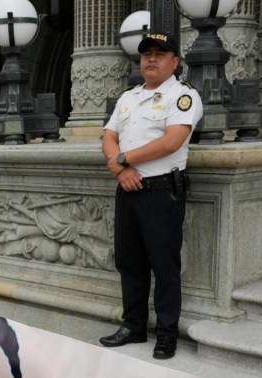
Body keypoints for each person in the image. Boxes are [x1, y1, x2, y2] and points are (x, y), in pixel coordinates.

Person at [99, 33, 203, 360]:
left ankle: (167, 333)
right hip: (127, 188)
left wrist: (125, 159)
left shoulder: (183, 96)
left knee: (164, 264)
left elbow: (172, 142)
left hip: (161, 192)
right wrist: (120, 170)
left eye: (160, 54)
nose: (151, 59)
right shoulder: (128, 97)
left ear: (175, 61)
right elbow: (109, 136)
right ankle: (133, 325)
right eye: (146, 54)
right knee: (129, 262)